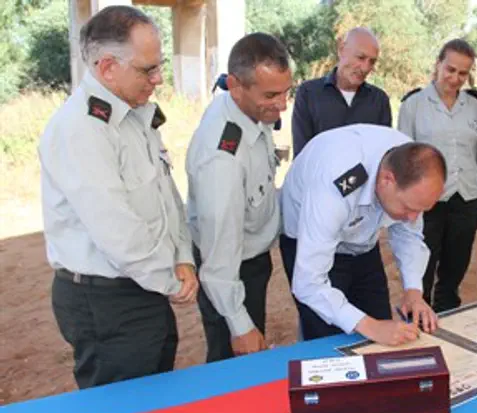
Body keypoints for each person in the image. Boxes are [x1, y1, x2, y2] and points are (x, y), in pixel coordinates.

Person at [38, 6, 198, 388]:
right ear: (108, 67)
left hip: (144, 287)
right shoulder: (81, 129)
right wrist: (170, 280)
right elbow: (118, 230)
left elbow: (167, 197)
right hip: (106, 301)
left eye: (159, 67)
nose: (158, 79)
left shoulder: (134, 115)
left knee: (153, 403)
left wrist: (182, 257)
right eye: (148, 70)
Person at [279, 124, 445, 345]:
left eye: (421, 210)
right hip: (311, 241)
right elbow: (308, 283)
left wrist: (414, 292)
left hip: (362, 242)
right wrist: (371, 327)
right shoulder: (337, 179)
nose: (414, 218)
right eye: (409, 208)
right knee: (329, 343)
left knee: (383, 337)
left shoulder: (411, 166)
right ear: (387, 180)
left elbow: (409, 235)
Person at [185, 33, 292, 362]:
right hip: (231, 273)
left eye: (287, 91)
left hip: (250, 259)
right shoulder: (223, 161)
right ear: (235, 85)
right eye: (271, 95)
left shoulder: (244, 111)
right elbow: (218, 262)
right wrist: (238, 323)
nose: (282, 104)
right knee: (231, 365)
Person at [397, 39, 477, 313]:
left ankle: (449, 319)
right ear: (437, 65)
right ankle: (419, 321)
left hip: (466, 198)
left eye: (463, 73)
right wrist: (406, 207)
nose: (455, 78)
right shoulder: (413, 105)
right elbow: (403, 160)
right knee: (422, 271)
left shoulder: (474, 106)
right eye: (450, 69)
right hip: (427, 204)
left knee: (454, 271)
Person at [291, 27, 391, 157]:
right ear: (341, 50)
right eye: (361, 57)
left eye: (372, 62)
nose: (365, 68)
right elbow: (302, 155)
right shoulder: (308, 94)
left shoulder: (379, 100)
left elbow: (383, 156)